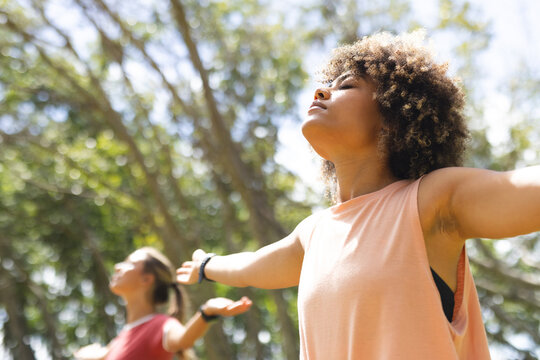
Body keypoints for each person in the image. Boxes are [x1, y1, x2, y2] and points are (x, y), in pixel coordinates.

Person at [176, 31, 540, 360]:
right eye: (325, 85)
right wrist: (205, 266)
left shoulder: (431, 201)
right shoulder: (313, 233)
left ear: (392, 117)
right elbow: (251, 266)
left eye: (346, 86)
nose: (320, 92)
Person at [74, 247, 252, 360]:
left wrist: (207, 311)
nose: (117, 267)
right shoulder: (119, 340)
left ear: (146, 279)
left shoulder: (161, 325)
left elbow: (183, 340)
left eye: (129, 263)